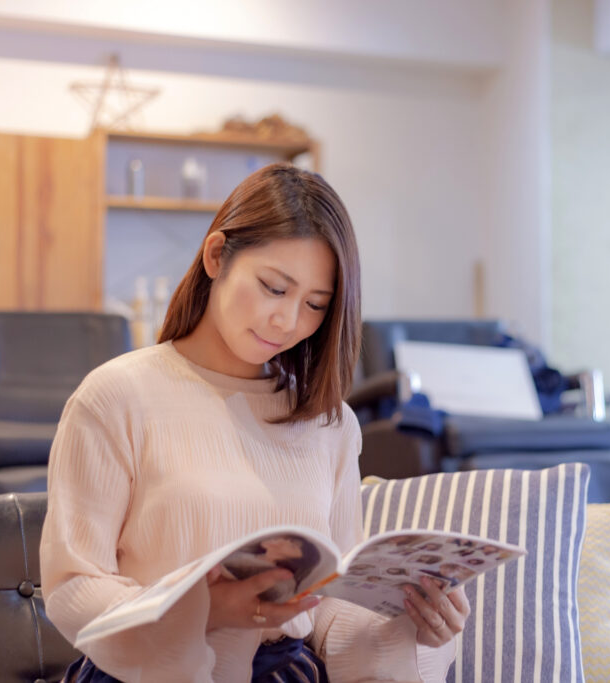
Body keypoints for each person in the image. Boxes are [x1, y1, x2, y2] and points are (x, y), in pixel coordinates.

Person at [40, 163, 469, 683]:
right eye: (273, 287)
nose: (288, 322)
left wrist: (408, 624)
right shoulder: (116, 397)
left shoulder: (329, 425)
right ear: (217, 255)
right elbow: (73, 585)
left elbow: (327, 610)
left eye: (315, 304)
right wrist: (202, 612)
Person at [222, 535, 322, 602]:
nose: (284, 541)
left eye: (292, 546)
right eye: (288, 540)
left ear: (298, 561)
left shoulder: (282, 580)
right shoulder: (247, 553)